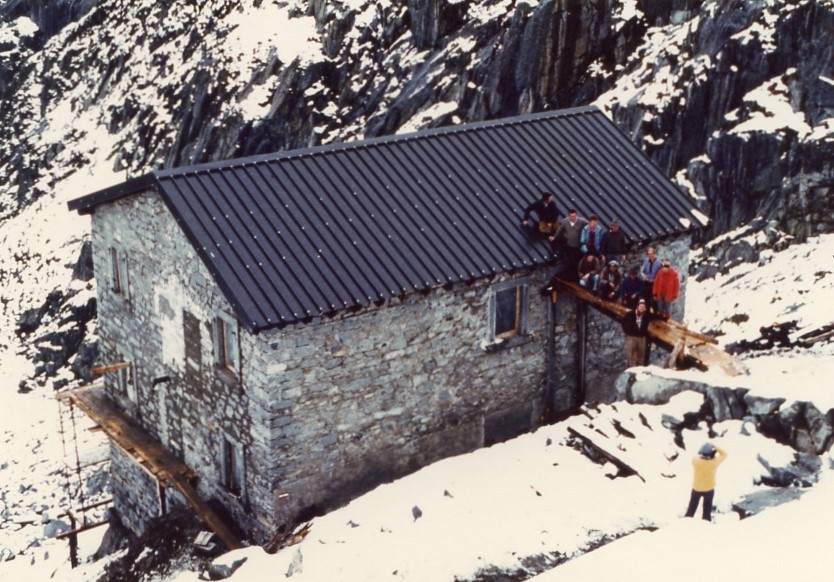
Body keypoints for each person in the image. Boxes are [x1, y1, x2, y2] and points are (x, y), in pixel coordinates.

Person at [685, 442, 728, 521]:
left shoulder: (695, 461)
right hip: (709, 490)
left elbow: (698, 456)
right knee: (706, 512)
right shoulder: (714, 462)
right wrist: (715, 446)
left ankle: (685, 524)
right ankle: (706, 526)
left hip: (696, 489)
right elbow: (724, 454)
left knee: (691, 510)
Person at [555, 210, 588, 280]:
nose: (573, 218)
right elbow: (559, 230)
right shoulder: (565, 221)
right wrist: (554, 237)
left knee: (577, 262)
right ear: (568, 216)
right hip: (570, 246)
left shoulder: (581, 221)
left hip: (578, 246)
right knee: (570, 262)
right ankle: (570, 277)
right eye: (571, 216)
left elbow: (588, 225)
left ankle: (577, 277)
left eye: (574, 216)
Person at [621, 299, 650, 367]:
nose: (642, 308)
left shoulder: (647, 316)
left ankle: (639, 369)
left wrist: (665, 318)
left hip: (642, 338)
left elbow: (656, 317)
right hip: (632, 337)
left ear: (645, 308)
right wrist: (627, 332)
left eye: (643, 307)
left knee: (641, 354)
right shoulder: (630, 314)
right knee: (630, 353)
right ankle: (629, 367)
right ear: (637, 307)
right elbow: (623, 324)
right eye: (641, 306)